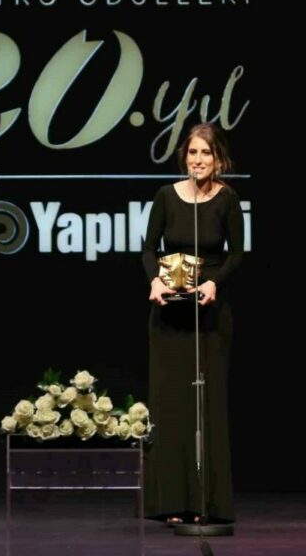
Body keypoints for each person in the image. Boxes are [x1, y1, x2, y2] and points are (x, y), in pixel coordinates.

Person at [142, 122, 244, 525]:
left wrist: (215, 282)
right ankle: (171, 504)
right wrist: (154, 280)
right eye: (192, 153)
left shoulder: (227, 199)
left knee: (207, 405)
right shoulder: (166, 196)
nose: (198, 160)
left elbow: (237, 252)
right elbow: (148, 248)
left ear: (218, 159)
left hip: (210, 315)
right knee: (171, 406)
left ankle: (207, 503)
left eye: (205, 153)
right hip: (169, 314)